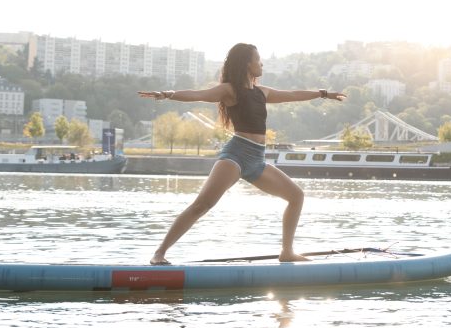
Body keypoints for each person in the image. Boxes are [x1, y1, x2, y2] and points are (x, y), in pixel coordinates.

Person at [138, 43, 346, 264]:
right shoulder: (230, 90)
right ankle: (159, 254)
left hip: (257, 159)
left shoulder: (261, 92)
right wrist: (167, 94)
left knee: (296, 196)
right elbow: (200, 94)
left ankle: (287, 252)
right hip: (235, 155)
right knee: (202, 205)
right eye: (258, 59)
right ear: (247, 64)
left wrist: (323, 93)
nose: (262, 63)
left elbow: (292, 94)